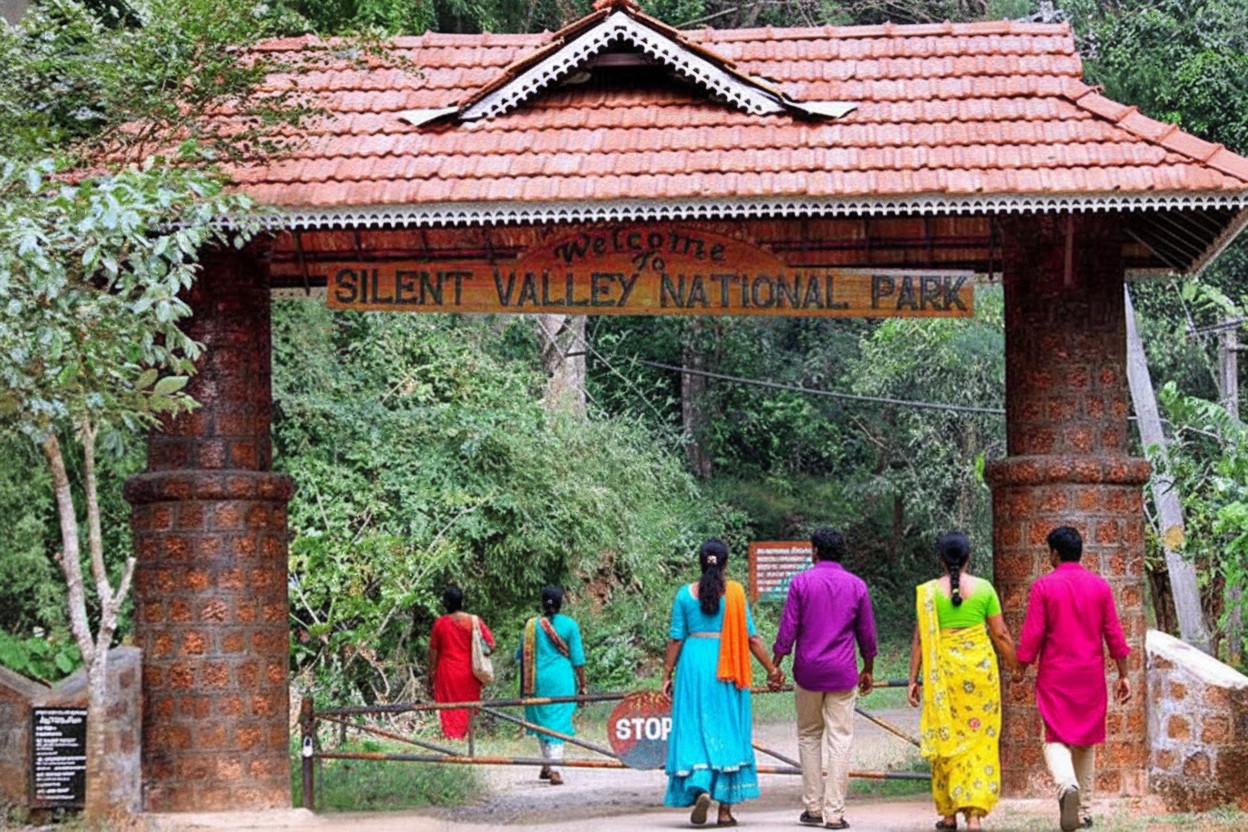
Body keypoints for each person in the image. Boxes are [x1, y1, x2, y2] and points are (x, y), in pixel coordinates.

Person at [1013, 526, 1131, 832]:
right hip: (1090, 678)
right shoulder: (1100, 587)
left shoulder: (1044, 587)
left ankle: (1066, 785)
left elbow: (1033, 635)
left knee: (1054, 736)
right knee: (1086, 742)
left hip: (1056, 678)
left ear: (1054, 553)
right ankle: (1085, 811)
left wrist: (1021, 668)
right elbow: (1115, 635)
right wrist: (1123, 675)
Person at [663, 539, 785, 827]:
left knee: (695, 727)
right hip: (727, 665)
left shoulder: (684, 594)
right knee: (727, 729)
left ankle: (702, 786)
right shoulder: (734, 594)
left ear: (700, 562)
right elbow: (751, 638)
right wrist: (772, 670)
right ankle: (725, 812)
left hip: (693, 665)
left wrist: (667, 674)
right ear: (726, 563)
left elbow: (676, 638)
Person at [906, 531, 1017, 832]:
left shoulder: (927, 592)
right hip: (980, 675)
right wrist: (1016, 666)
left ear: (941, 559)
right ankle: (974, 816)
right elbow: (1001, 634)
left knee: (946, 738)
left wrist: (913, 679)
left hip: (942, 676)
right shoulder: (984, 589)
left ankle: (947, 815)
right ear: (968, 557)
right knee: (979, 741)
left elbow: (919, 639)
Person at [771, 528, 877, 830]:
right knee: (840, 739)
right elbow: (867, 635)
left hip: (807, 672)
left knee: (808, 736)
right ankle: (834, 814)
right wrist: (867, 667)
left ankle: (813, 809)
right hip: (843, 673)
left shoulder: (801, 582)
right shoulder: (856, 585)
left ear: (815, 551)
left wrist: (776, 665)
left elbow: (787, 630)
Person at [516, 585, 587, 786]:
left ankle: (547, 763)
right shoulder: (569, 625)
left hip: (537, 680)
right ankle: (555, 768)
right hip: (561, 680)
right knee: (559, 721)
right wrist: (583, 686)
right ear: (561, 603)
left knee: (542, 721)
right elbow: (578, 660)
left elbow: (521, 654)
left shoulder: (531, 626)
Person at [427, 585, 495, 739]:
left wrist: (430, 675)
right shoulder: (474, 621)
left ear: (447, 603)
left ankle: (452, 738)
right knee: (468, 707)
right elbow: (491, 645)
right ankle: (465, 738)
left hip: (447, 673)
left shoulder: (440, 624)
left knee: (449, 708)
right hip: (470, 673)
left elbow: (433, 653)